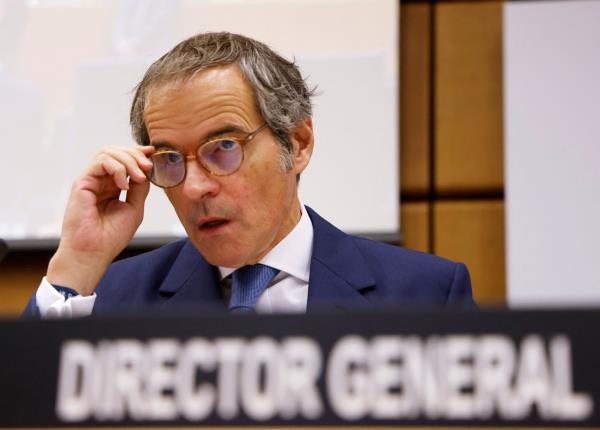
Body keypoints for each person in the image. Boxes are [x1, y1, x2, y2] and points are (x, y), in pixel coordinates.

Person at [24, 32, 475, 317]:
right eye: (171, 159)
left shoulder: (426, 295)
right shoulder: (108, 299)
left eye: (223, 148)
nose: (196, 187)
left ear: (297, 144)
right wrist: (77, 263)